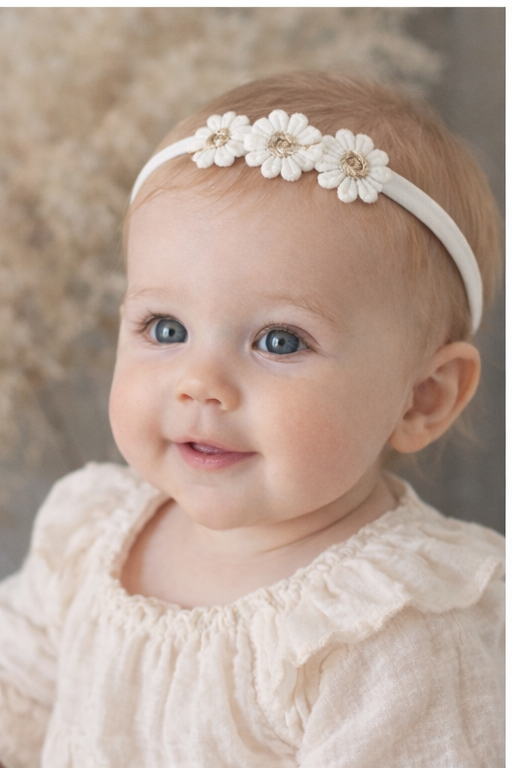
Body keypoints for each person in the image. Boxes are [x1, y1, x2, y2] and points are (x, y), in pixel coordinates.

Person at [0, 71, 504, 767]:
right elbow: (15, 700)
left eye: (280, 341)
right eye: (166, 327)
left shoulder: (394, 628)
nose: (200, 384)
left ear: (422, 397)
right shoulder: (87, 535)